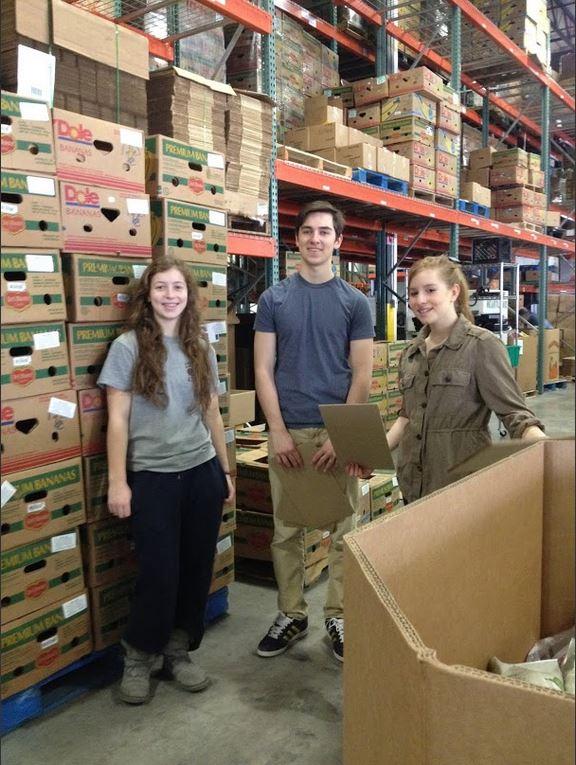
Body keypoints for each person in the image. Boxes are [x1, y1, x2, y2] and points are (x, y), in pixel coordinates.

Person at [98, 256, 234, 704]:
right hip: (153, 476)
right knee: (159, 571)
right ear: (147, 295)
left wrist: (224, 468)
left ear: (188, 296)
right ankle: (139, 658)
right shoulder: (128, 347)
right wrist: (118, 483)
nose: (170, 296)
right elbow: (116, 421)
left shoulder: (200, 346)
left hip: (201, 473)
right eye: (161, 288)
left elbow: (212, 411)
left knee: (196, 568)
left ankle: (179, 653)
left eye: (178, 288)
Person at [253, 200, 374, 663]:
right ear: (297, 239)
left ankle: (337, 615)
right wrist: (277, 430)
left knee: (345, 530)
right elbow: (263, 370)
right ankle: (291, 614)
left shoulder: (354, 302)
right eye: (307, 231)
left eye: (325, 232)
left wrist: (339, 436)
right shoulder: (274, 299)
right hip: (289, 432)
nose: (315, 239)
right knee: (286, 531)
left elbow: (360, 374)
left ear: (338, 241)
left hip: (335, 433)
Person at [386, 255, 546, 505]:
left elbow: (514, 413)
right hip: (413, 484)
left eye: (430, 290)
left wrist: (544, 447)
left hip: (461, 486)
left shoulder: (481, 346)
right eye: (414, 293)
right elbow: (407, 417)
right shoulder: (411, 353)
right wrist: (376, 455)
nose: (420, 300)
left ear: (453, 292)